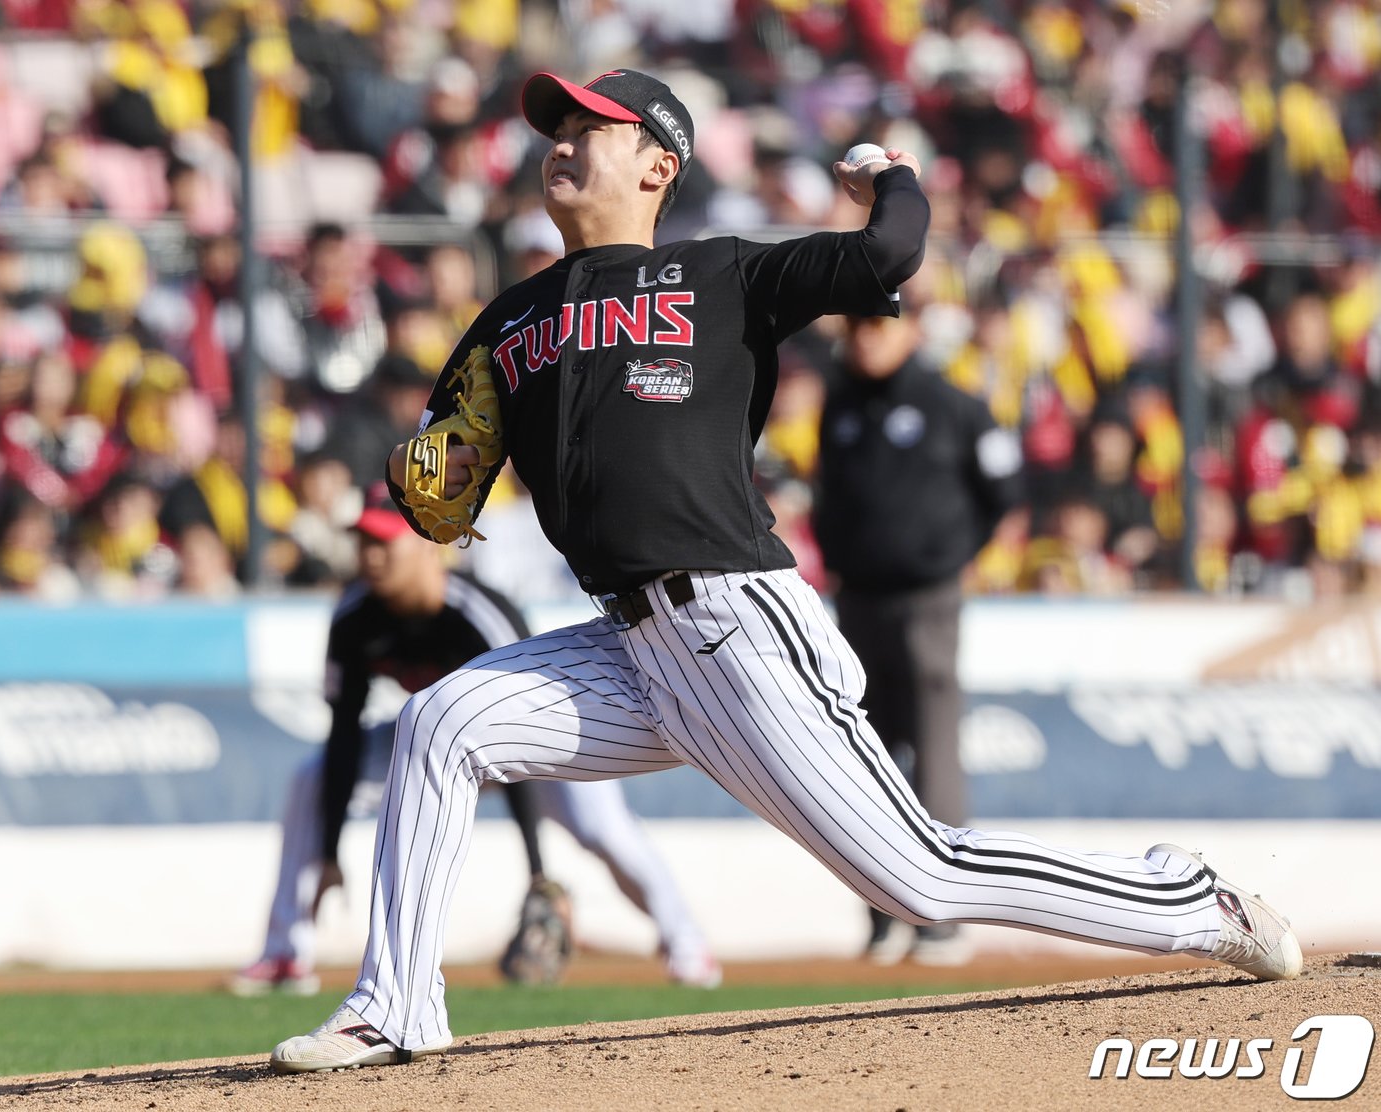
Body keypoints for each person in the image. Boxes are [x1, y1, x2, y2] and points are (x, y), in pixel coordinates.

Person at [271, 69, 1301, 1074]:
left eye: (592, 126)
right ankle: (394, 1005)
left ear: (657, 164)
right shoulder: (508, 322)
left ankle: (1186, 899)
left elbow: (888, 252)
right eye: (557, 126)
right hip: (628, 648)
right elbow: (435, 485)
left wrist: (886, 175)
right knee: (438, 724)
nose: (563, 141)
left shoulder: (719, 273)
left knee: (920, 876)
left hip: (732, 621)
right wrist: (427, 483)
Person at [234, 494, 718, 995]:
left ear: (428, 547)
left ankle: (686, 944)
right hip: (436, 752)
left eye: (383, 543)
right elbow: (343, 739)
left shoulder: (479, 612)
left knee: (605, 829)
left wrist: (537, 871)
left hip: (539, 740)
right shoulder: (356, 615)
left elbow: (524, 724)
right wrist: (331, 851)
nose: (370, 556)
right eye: (362, 543)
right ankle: (286, 954)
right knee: (311, 779)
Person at [813, 310, 1025, 966]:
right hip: (858, 600)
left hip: (928, 599)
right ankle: (882, 913)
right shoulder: (839, 403)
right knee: (865, 753)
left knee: (933, 751)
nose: (867, 337)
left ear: (912, 333)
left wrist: (950, 556)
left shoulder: (953, 406)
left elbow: (1006, 492)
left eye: (879, 325)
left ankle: (943, 913)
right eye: (857, 327)